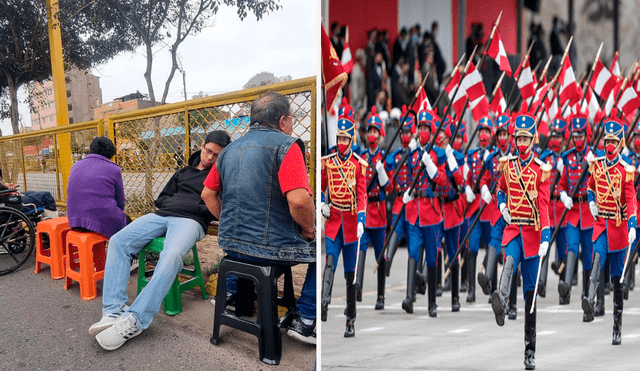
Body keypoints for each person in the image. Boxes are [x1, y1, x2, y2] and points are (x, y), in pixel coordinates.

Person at [89, 130, 230, 351]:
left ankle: (136, 319)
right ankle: (113, 311)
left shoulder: (220, 177)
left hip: (191, 221)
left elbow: (216, 209)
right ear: (202, 146)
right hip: (162, 216)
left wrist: (193, 208)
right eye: (208, 151)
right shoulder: (183, 171)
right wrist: (169, 206)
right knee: (118, 240)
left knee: (171, 255)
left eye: (217, 155)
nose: (210, 158)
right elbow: (162, 197)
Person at [201, 92, 316, 344]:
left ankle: (231, 296)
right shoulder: (287, 146)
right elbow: (299, 201)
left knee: (240, 245)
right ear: (283, 120)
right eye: (291, 120)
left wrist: (228, 223)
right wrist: (309, 229)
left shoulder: (228, 150)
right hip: (269, 249)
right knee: (327, 245)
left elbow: (208, 194)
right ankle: (306, 320)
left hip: (231, 245)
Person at [491, 113, 551, 370]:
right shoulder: (508, 164)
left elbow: (545, 205)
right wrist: (502, 205)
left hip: (534, 234)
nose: (522, 142)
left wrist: (547, 236)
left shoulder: (541, 169)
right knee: (509, 260)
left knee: (530, 296)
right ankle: (501, 300)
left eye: (526, 137)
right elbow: (501, 188)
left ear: (533, 139)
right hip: (514, 228)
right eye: (519, 138)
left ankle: (529, 350)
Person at [582, 118, 637, 346]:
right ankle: (591, 299)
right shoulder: (598, 164)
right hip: (601, 224)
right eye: (607, 141)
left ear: (620, 143)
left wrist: (632, 224)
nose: (609, 145)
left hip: (619, 227)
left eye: (613, 141)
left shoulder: (626, 170)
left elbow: (631, 199)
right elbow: (590, 186)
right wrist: (592, 201)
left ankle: (617, 325)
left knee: (617, 280)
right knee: (597, 257)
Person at [320, 101, 366, 337]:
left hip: (350, 224)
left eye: (345, 139)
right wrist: (321, 204)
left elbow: (362, 195)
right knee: (329, 262)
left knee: (350, 275)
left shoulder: (358, 166)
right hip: (334, 221)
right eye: (339, 139)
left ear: (351, 141)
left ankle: (350, 320)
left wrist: (360, 220)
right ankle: (324, 302)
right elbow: (321, 187)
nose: (341, 143)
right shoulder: (328, 163)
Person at [402, 109, 447, 316]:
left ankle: (431, 303)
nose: (422, 131)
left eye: (425, 128)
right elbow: (408, 179)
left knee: (431, 257)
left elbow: (442, 181)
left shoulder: (437, 153)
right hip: (414, 211)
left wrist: (430, 166)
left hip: (431, 212)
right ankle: (409, 298)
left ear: (431, 130)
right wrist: (407, 193)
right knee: (412, 252)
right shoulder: (412, 155)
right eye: (419, 127)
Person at [354, 107, 392, 310]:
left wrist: (382, 171)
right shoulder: (361, 156)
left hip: (378, 210)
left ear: (380, 134)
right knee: (360, 249)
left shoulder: (385, 157)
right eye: (370, 131)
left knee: (380, 254)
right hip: (364, 209)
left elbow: (390, 187)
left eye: (376, 131)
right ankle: (357, 286)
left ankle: (380, 296)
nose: (372, 134)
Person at [556, 115, 595, 306]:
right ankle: (567, 288)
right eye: (575, 136)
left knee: (588, 256)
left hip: (588, 211)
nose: (578, 140)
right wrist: (563, 196)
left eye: (581, 136)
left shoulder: (593, 156)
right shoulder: (568, 156)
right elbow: (561, 184)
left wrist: (593, 166)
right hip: (572, 212)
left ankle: (587, 294)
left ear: (586, 136)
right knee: (571, 246)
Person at [66, 137, 128, 238]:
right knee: (128, 224)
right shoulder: (114, 169)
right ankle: (128, 253)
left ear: (91, 149)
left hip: (74, 220)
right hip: (98, 221)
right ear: (111, 152)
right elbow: (120, 202)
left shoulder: (76, 165)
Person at [463, 116, 495, 303]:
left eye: (486, 131)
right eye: (481, 130)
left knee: (492, 247)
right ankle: (471, 289)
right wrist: (467, 189)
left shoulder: (494, 155)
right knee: (472, 247)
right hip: (475, 206)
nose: (483, 134)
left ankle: (492, 288)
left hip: (489, 207)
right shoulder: (472, 155)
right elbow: (468, 178)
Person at [538, 118, 569, 300]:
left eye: (559, 136)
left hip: (561, 207)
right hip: (548, 207)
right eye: (553, 135)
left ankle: (563, 291)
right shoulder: (545, 157)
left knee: (563, 250)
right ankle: (540, 283)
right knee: (545, 247)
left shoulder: (567, 158)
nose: (555, 139)